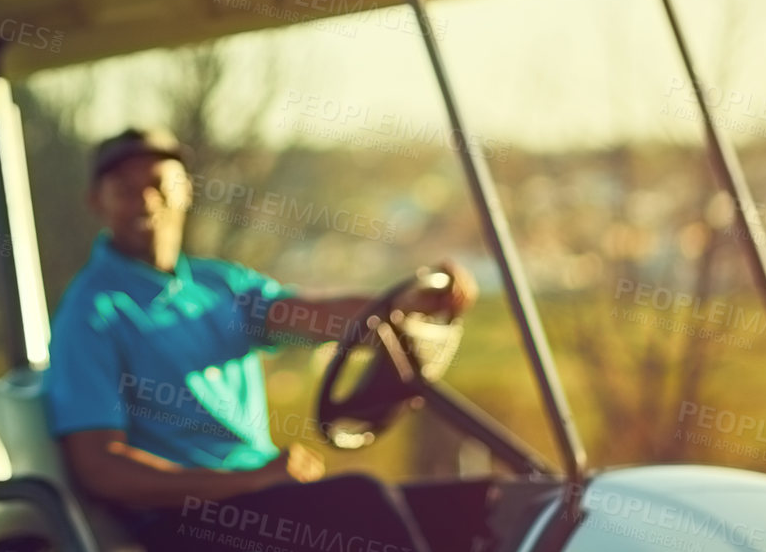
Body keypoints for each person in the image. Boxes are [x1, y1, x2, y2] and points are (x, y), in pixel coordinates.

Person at [42, 129, 477, 552]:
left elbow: (315, 317)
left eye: (159, 184)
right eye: (124, 188)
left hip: (262, 496)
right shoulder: (91, 312)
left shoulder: (221, 285)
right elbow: (101, 467)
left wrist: (408, 302)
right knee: (359, 503)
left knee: (468, 510)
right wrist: (250, 481)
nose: (146, 199)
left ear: (186, 191)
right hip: (183, 518)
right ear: (96, 202)